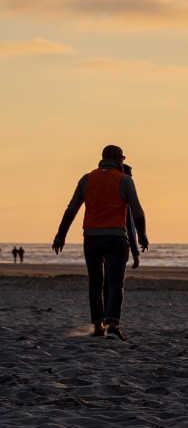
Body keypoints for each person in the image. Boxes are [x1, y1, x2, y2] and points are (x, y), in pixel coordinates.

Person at [52, 144, 148, 341]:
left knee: (95, 284)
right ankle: (112, 326)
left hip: (91, 238)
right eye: (122, 158)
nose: (123, 161)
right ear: (115, 158)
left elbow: (71, 209)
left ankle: (97, 326)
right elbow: (138, 212)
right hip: (116, 238)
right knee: (114, 284)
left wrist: (60, 236)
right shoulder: (125, 180)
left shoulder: (87, 179)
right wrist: (142, 236)